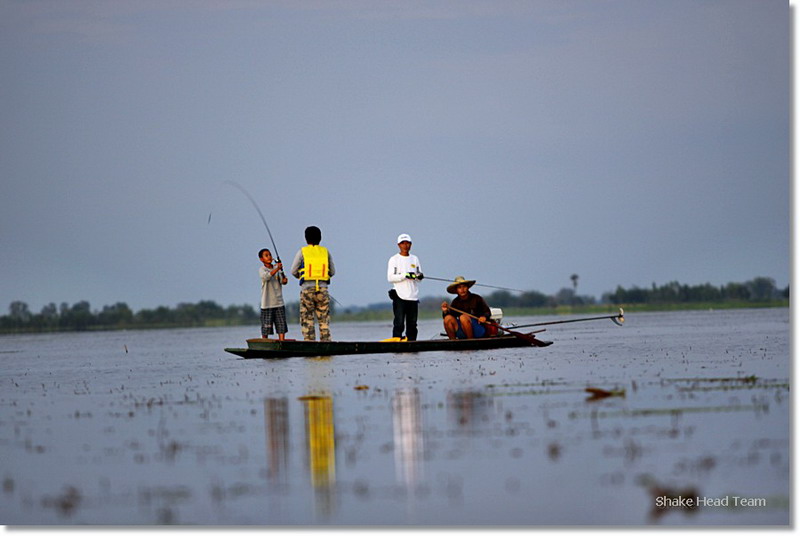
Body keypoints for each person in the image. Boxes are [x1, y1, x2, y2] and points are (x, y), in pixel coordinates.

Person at [290, 226, 335, 341]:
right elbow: (332, 272)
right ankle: (326, 343)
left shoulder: (302, 252)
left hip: (307, 289)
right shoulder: (325, 252)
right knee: (323, 319)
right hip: (322, 289)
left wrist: (301, 277)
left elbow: (293, 271)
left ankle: (310, 343)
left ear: (306, 238)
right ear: (320, 238)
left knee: (307, 319)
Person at [387, 233, 424, 341]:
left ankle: (412, 342)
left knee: (412, 324)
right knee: (399, 322)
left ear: (411, 244)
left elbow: (418, 275)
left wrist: (419, 276)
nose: (405, 245)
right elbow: (390, 278)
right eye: (403, 243)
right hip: (399, 294)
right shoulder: (394, 259)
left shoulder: (415, 259)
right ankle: (396, 341)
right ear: (399, 245)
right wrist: (405, 275)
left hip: (413, 295)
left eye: (407, 243)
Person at [258, 248, 289, 340]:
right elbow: (266, 277)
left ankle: (282, 342)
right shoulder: (262, 269)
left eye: (270, 255)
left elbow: (283, 281)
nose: (269, 257)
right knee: (266, 327)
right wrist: (277, 269)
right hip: (267, 303)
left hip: (279, 302)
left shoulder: (277, 269)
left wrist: (283, 275)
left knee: (281, 325)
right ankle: (264, 343)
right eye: (266, 255)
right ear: (261, 259)